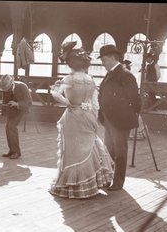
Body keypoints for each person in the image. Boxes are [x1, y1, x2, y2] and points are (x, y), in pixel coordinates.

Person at [49, 41, 114, 199]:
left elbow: (55, 94)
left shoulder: (69, 79)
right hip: (88, 114)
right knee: (87, 147)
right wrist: (93, 118)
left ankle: (74, 186)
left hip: (73, 116)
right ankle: (89, 184)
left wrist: (67, 103)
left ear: (70, 63)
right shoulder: (90, 79)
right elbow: (95, 103)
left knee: (73, 151)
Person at [98, 44, 142, 191]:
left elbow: (134, 98)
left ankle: (118, 181)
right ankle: (109, 177)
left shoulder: (125, 75)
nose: (102, 63)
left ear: (112, 58)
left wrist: (123, 114)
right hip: (109, 118)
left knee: (119, 151)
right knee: (109, 149)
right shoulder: (110, 73)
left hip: (120, 120)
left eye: (104, 59)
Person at [0, 74, 32, 159]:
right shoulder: (5, 89)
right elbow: (5, 100)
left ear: (12, 83)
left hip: (22, 109)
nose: (6, 91)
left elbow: (29, 103)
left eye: (7, 89)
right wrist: (3, 109)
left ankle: (17, 152)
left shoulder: (22, 86)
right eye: (4, 90)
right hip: (12, 110)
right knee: (7, 127)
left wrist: (17, 104)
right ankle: (11, 150)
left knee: (11, 126)